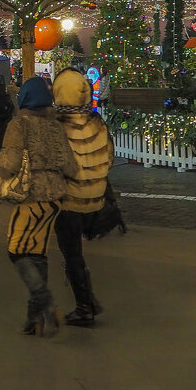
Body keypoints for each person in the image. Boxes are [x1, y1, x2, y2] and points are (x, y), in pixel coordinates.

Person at [0, 78, 80, 338]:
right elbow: (71, 166)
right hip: (54, 198)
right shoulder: (54, 126)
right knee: (37, 252)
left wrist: (0, 172)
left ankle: (46, 305)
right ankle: (34, 319)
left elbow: (9, 162)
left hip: (31, 197)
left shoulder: (19, 124)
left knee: (16, 251)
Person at [53, 69, 113, 327]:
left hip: (69, 201)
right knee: (76, 255)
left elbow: (58, 164)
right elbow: (109, 157)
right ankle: (87, 300)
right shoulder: (97, 121)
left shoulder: (58, 126)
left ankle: (84, 305)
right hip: (96, 198)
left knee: (72, 254)